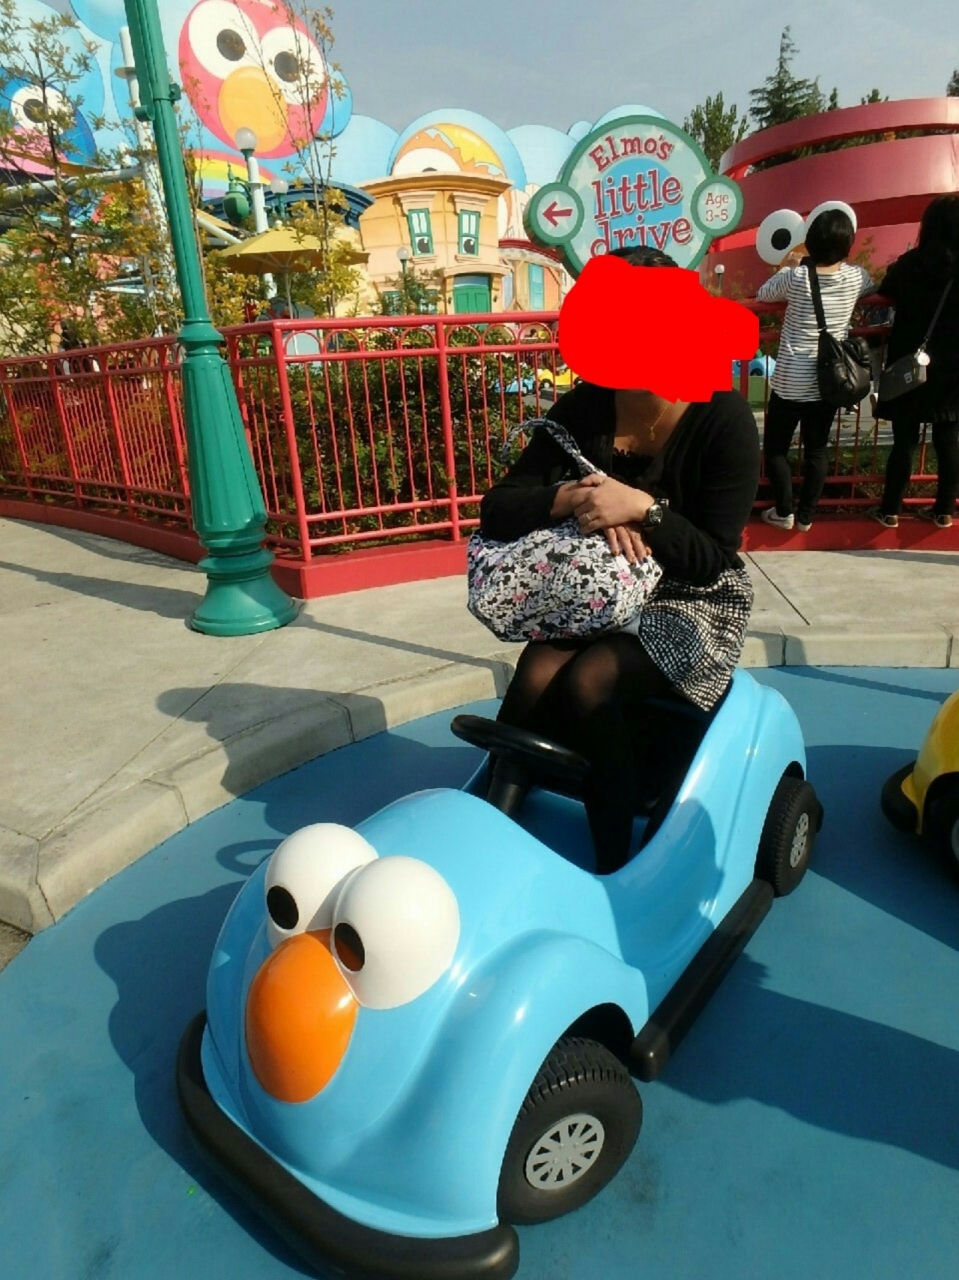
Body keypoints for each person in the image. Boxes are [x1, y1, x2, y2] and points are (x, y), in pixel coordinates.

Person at [478, 246, 761, 875]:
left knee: (591, 678)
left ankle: (616, 867)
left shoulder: (724, 420)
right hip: (598, 591)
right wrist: (573, 497)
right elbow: (497, 508)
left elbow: (713, 558)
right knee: (535, 669)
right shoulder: (585, 408)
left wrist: (643, 509)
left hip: (691, 600)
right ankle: (487, 829)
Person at [756, 208, 873, 532]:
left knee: (776, 449)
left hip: (790, 381)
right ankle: (806, 516)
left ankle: (784, 511)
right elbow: (870, 286)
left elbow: (764, 294)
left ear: (810, 241)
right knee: (817, 450)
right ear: (847, 245)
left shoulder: (796, 278)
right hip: (828, 380)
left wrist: (789, 264)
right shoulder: (855, 277)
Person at [873, 193, 959, 529]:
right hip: (952, 369)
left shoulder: (910, 265)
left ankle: (890, 509)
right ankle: (944, 510)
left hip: (910, 364)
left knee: (904, 441)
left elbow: (886, 288)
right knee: (948, 439)